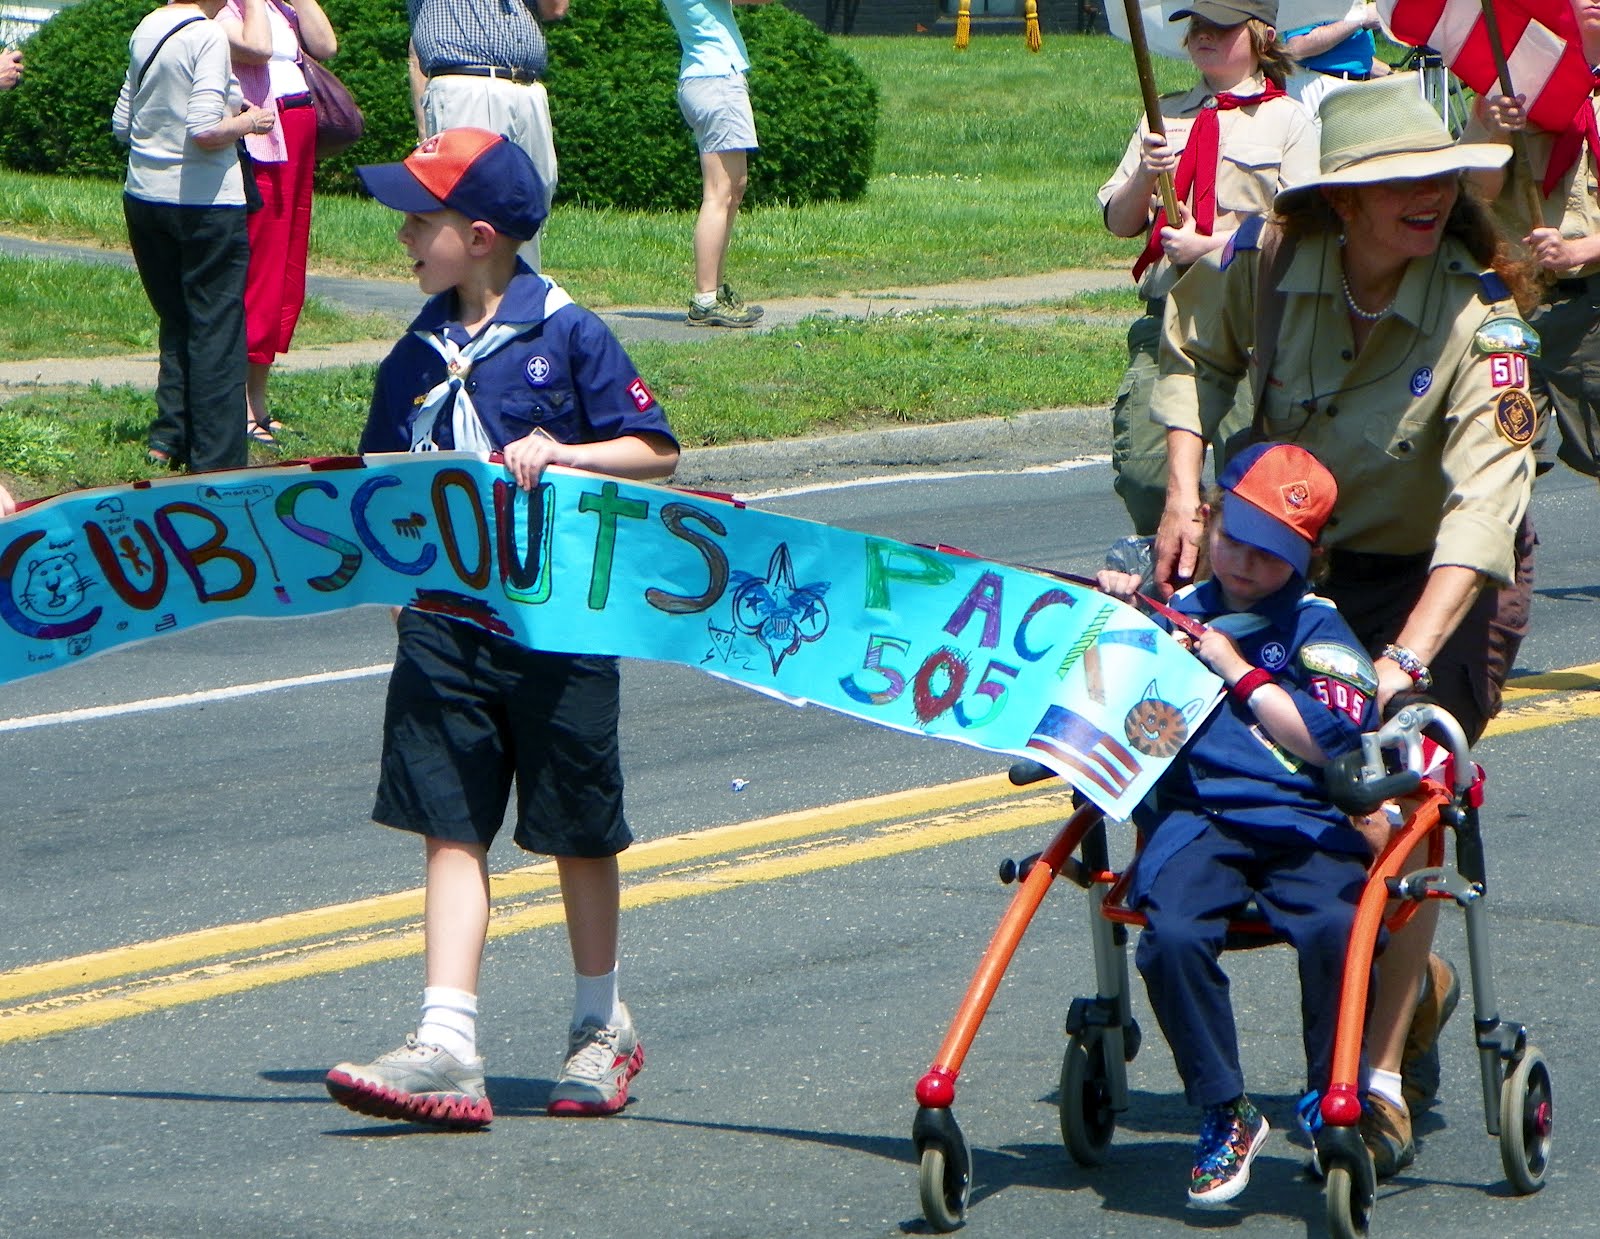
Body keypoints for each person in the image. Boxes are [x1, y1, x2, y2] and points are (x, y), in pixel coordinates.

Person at [1149, 73, 1538, 1177]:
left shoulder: (1482, 321)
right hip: (1287, 563)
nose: (1424, 196)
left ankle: (1367, 1077)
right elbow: (1185, 351)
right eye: (1394, 183)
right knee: (1215, 732)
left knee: (1408, 785)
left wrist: (1406, 663)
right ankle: (1389, 966)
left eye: (1435, 179)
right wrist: (1186, 490)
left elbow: (1483, 512)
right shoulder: (1261, 266)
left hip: (1433, 579)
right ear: (1338, 204)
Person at [324, 127, 679, 1127]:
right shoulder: (414, 351)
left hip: (559, 622)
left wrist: (564, 453)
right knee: (449, 820)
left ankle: (600, 1023)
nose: (403, 234)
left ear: (479, 236)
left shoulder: (567, 333)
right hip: (442, 622)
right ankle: (446, 1040)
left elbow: (655, 449)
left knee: (574, 828)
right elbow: (380, 480)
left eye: (420, 219)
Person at [1099, 441, 1378, 1208]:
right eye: (1233, 542)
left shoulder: (1318, 627)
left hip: (1301, 818)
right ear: (1209, 521)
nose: (1246, 566)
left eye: (1270, 555)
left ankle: (1331, 1096)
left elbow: (1331, 740)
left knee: (1336, 926)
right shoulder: (1175, 611)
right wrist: (1116, 609)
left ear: (1305, 560)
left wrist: (1236, 667)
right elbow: (1105, 690)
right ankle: (1226, 1108)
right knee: (1173, 935)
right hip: (1202, 816)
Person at [1097, 0, 1316, 539]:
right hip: (1168, 318)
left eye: (1221, 27)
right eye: (1196, 26)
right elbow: (1120, 222)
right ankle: (1179, 574)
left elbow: (1306, 228)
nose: (1203, 35)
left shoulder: (1289, 119)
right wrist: (1145, 177)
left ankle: (1235, 591)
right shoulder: (1164, 114)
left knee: (1249, 486)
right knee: (1149, 477)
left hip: (1250, 326)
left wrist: (1213, 246)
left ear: (1261, 36)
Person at [113, 0, 275, 474]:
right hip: (205, 203)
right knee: (217, 331)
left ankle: (168, 436)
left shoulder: (147, 26)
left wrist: (225, 102)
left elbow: (124, 123)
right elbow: (205, 130)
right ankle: (217, 460)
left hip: (144, 195)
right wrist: (252, 122)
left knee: (177, 320)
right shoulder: (207, 35)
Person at [1464, 0, 1600, 478]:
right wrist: (1489, 128)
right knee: (1501, 465)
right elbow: (1472, 198)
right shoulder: (1514, 79)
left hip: (1591, 310)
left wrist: (1582, 249)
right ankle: (1508, 554)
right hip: (1513, 308)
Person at [218, 0, 339, 449]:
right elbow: (257, 51)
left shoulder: (279, 7)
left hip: (299, 130)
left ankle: (259, 398)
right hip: (265, 138)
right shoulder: (224, 11)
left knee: (288, 271)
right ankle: (241, 405)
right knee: (263, 268)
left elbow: (326, 46)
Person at [406, 0, 567, 272]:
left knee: (530, 206)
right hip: (467, 81)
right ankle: (470, 311)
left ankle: (519, 307)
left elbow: (556, 8)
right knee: (472, 212)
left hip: (527, 87)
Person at [661, 0, 770, 328]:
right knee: (719, 193)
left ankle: (715, 292)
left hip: (712, 78)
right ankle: (705, 298)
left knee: (733, 189)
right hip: (716, 79)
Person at [1282, 2, 1389, 117]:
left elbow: (1350, 58)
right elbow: (1298, 47)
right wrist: (1361, 19)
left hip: (1355, 91)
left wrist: (1391, 74)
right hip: (1320, 89)